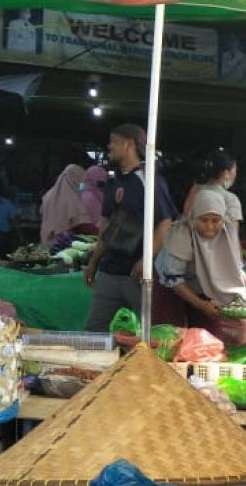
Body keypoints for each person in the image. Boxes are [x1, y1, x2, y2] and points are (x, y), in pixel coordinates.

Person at [83, 124, 177, 332]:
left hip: (138, 275)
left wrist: (146, 259)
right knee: (94, 329)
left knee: (149, 333)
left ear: (128, 144)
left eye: (113, 142)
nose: (109, 147)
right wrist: (93, 262)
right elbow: (106, 226)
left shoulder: (149, 181)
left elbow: (165, 223)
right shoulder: (114, 181)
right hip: (110, 271)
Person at [154, 191, 246, 346]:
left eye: (215, 220)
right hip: (171, 287)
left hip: (204, 288)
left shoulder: (227, 232)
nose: (209, 226)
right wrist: (201, 305)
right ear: (194, 218)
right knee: (170, 340)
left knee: (208, 341)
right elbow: (173, 280)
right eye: (203, 220)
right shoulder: (181, 234)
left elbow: (234, 266)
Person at [183, 151, 242, 234]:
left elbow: (186, 221)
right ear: (226, 173)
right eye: (234, 170)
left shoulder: (195, 190)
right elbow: (232, 237)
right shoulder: (231, 199)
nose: (235, 174)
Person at [40, 164, 97, 245]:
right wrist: (99, 232)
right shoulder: (71, 198)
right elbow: (82, 224)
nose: (82, 185)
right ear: (74, 180)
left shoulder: (48, 195)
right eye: (81, 181)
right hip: (62, 243)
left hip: (46, 239)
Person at [80, 165, 108, 233]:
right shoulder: (88, 198)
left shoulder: (82, 192)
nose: (102, 187)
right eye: (100, 183)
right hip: (90, 235)